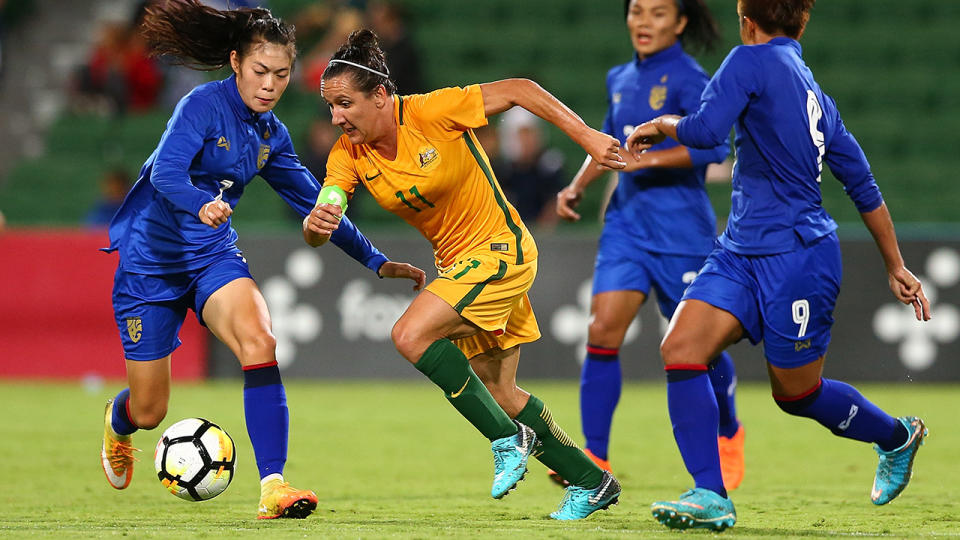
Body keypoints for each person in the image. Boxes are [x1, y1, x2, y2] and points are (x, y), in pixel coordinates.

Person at [98, 1, 425, 521]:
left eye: (281, 73)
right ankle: (119, 422)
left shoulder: (271, 135)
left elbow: (319, 205)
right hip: (151, 264)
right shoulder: (200, 107)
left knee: (261, 340)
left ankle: (273, 485)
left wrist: (375, 260)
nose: (271, 84)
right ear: (235, 63)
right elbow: (165, 176)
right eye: (260, 71)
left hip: (211, 256)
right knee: (150, 410)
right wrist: (200, 202)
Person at [625, 0, 931, 531]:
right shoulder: (816, 92)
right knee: (681, 348)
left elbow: (704, 133)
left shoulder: (748, 61)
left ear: (747, 20)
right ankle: (710, 493)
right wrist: (895, 265)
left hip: (797, 257)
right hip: (741, 251)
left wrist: (661, 122)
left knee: (797, 395)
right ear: (801, 20)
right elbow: (863, 185)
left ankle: (897, 436)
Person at [305, 29, 625, 520]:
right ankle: (591, 480)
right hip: (459, 266)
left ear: (381, 96)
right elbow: (331, 203)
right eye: (331, 107)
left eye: (345, 103)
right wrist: (317, 223)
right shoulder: (348, 154)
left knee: (409, 334)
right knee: (499, 391)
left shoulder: (433, 111)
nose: (336, 117)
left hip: (501, 250)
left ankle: (505, 439)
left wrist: (588, 137)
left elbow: (520, 88)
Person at [554, 0, 744, 490]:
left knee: (697, 346)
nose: (644, 22)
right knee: (601, 330)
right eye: (637, 11)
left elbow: (713, 146)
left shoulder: (689, 77)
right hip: (626, 227)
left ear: (680, 23)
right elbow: (611, 144)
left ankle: (728, 429)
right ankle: (595, 458)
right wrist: (578, 185)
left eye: (658, 13)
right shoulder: (620, 75)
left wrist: (649, 163)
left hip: (681, 231)